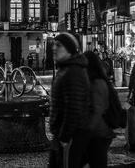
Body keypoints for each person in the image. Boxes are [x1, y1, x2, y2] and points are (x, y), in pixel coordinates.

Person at [48, 33, 91, 168]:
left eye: (58, 45)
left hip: (71, 136)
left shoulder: (73, 72)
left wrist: (64, 137)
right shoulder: (66, 69)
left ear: (69, 49)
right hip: (62, 135)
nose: (54, 48)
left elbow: (74, 107)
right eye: (53, 44)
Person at [82, 51, 115, 168]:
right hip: (96, 133)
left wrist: (87, 131)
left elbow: (98, 109)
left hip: (99, 134)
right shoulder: (92, 80)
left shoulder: (98, 83)